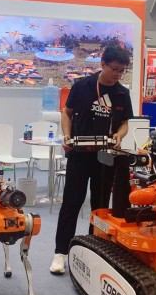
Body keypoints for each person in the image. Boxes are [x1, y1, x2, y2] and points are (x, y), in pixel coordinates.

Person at [50, 46, 133, 275]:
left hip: (105, 157)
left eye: (122, 71)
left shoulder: (121, 93)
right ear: (103, 64)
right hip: (79, 154)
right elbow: (66, 113)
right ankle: (60, 252)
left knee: (101, 206)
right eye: (114, 69)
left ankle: (93, 250)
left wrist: (119, 135)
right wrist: (67, 135)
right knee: (72, 202)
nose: (118, 74)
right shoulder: (82, 86)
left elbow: (125, 122)